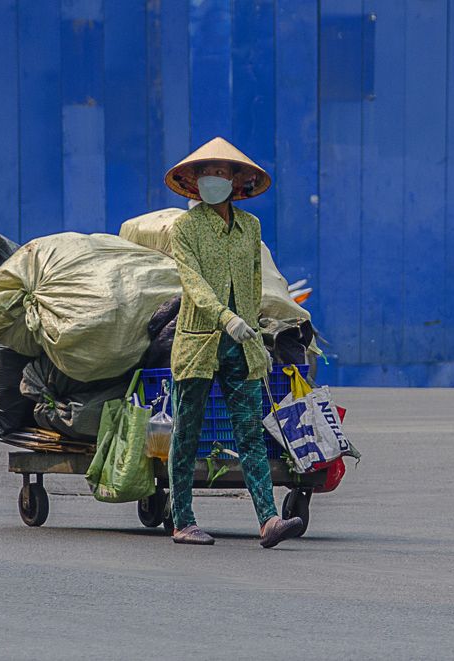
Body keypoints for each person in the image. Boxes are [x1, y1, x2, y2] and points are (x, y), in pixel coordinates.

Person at [163, 137, 303, 548]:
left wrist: (253, 329)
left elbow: (254, 283)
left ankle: (269, 520)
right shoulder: (185, 229)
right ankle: (182, 520)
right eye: (208, 174)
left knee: (250, 432)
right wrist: (226, 318)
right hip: (199, 341)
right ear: (195, 182)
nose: (215, 180)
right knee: (187, 431)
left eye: (222, 174)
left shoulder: (250, 228)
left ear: (236, 182)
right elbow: (193, 284)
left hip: (242, 345)